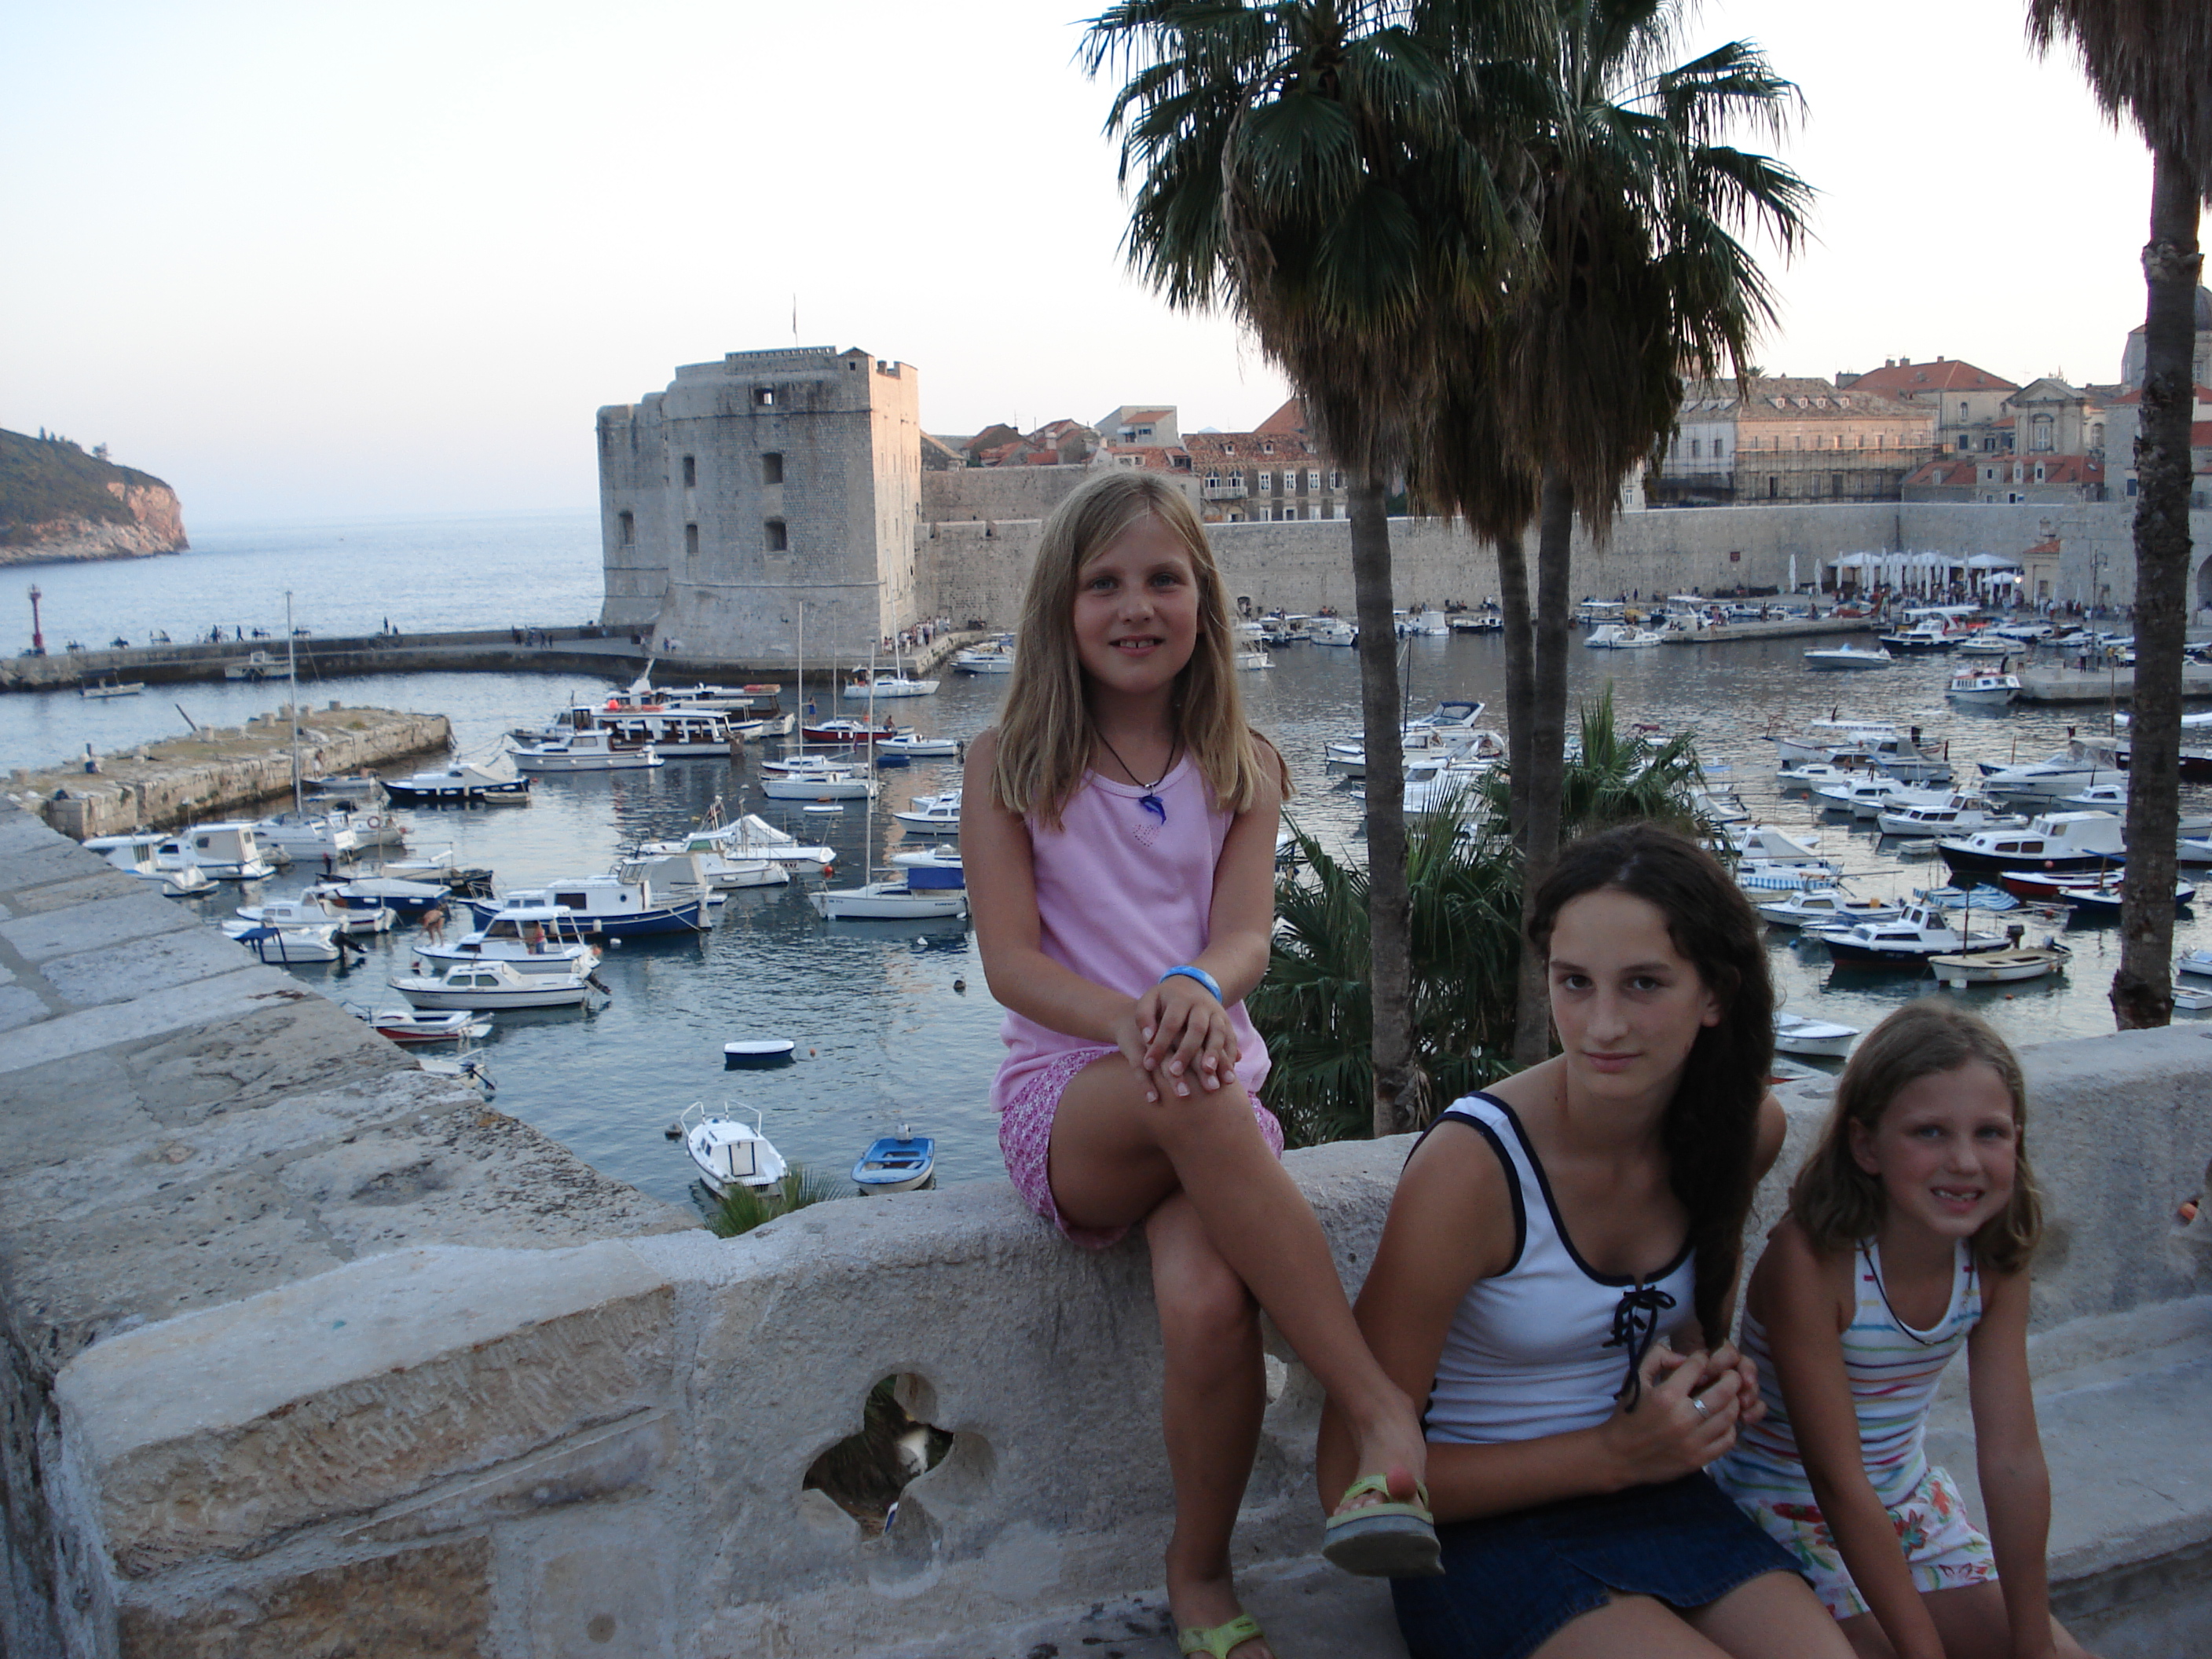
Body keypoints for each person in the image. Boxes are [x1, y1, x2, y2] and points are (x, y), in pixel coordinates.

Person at [964, 471, 1434, 1659]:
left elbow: (1244, 940)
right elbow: (1011, 964)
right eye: (1104, 584)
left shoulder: (1240, 763)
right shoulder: (1008, 763)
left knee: (1211, 1304)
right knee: (1186, 1081)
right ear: (1061, 608)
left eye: (1163, 580)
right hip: (1072, 1098)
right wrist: (1134, 1019)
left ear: (1203, 602)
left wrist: (1191, 988)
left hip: (1205, 1091)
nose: (1136, 606)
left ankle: (1201, 1572)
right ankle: (1377, 1408)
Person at [1322, 823, 1853, 1659]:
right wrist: (1612, 1454)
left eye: (1643, 984)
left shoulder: (1741, 1130)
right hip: (1477, 1530)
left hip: (1653, 1493)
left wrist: (1703, 1387)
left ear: (1715, 994)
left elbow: (1687, 1329)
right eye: (1574, 982)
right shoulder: (1475, 1170)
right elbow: (1343, 1477)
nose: (1601, 1025)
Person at [1714, 1002, 2095, 1659]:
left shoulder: (1994, 1258)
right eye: (1930, 1133)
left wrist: (2034, 1643)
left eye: (1990, 1133)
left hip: (1910, 1509)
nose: (1965, 1162)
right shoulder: (1811, 1264)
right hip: (1783, 1515)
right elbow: (1836, 1479)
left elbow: (2011, 1458)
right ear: (1866, 1145)